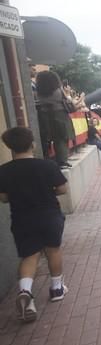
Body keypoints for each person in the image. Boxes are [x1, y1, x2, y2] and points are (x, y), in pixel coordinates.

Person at [0, 127, 69, 322]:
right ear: (33, 144)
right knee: (53, 250)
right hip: (49, 215)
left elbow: (4, 197)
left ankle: (25, 292)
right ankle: (57, 289)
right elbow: (62, 189)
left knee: (29, 256)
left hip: (22, 219)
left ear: (9, 147)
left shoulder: (4, 171)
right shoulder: (47, 166)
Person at [35, 71, 76, 169]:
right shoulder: (58, 91)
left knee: (45, 139)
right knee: (62, 139)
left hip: (44, 116)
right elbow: (69, 102)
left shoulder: (38, 92)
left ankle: (46, 159)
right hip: (60, 116)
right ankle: (62, 161)